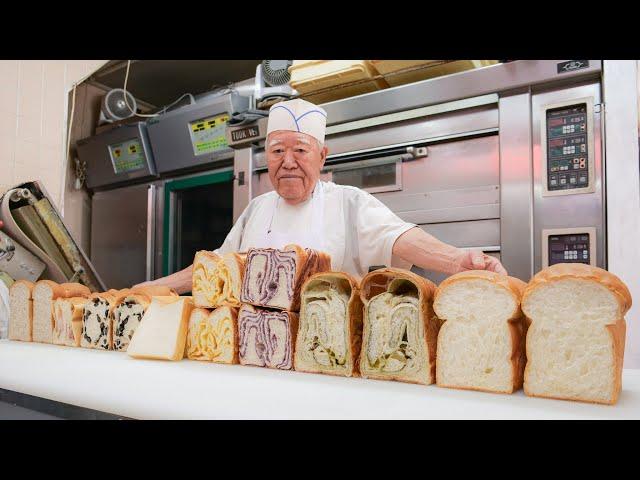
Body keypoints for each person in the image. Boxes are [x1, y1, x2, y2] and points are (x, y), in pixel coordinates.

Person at [135, 99, 506, 293]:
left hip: (329, 356)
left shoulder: (348, 202)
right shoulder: (257, 208)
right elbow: (217, 265)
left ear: (322, 156)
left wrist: (458, 260)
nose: (288, 162)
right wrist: (156, 287)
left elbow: (400, 237)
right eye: (278, 151)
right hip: (255, 354)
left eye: (301, 150)